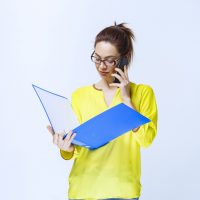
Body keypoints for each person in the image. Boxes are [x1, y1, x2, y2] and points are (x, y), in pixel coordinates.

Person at [47, 22, 158, 200]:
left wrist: (127, 99)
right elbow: (74, 150)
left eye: (109, 60)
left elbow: (146, 140)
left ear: (124, 58)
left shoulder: (143, 93)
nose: (101, 66)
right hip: (83, 191)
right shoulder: (79, 96)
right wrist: (65, 147)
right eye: (97, 58)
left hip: (123, 191)